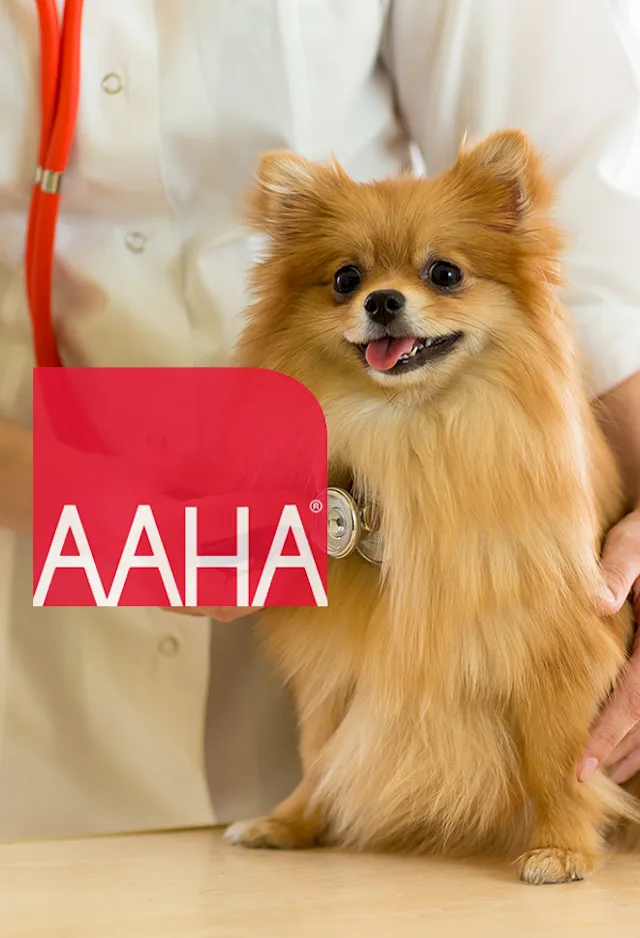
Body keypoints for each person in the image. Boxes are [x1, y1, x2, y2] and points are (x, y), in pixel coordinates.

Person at [0, 0, 639, 841]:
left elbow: (600, 272)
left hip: (397, 652)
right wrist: (95, 501)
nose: (386, 297)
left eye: (441, 274)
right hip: (33, 627)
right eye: (349, 282)